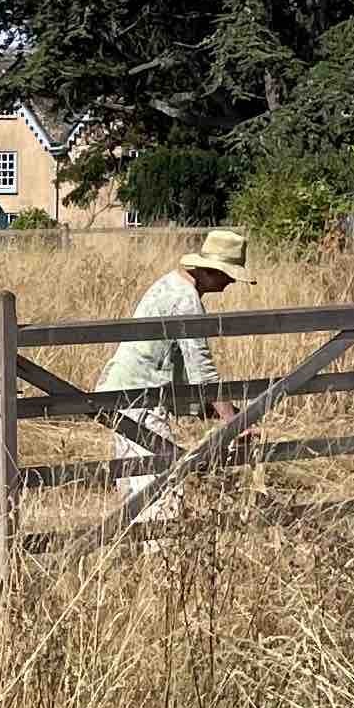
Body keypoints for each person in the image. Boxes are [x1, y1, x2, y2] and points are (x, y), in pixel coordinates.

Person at [101, 226, 247, 528]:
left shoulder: (168, 284)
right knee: (162, 490)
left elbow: (173, 361)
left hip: (124, 393)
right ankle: (157, 566)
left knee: (137, 486)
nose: (231, 281)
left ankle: (128, 560)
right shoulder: (187, 301)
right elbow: (202, 371)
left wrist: (203, 408)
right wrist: (235, 422)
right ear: (208, 271)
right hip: (142, 398)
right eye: (227, 274)